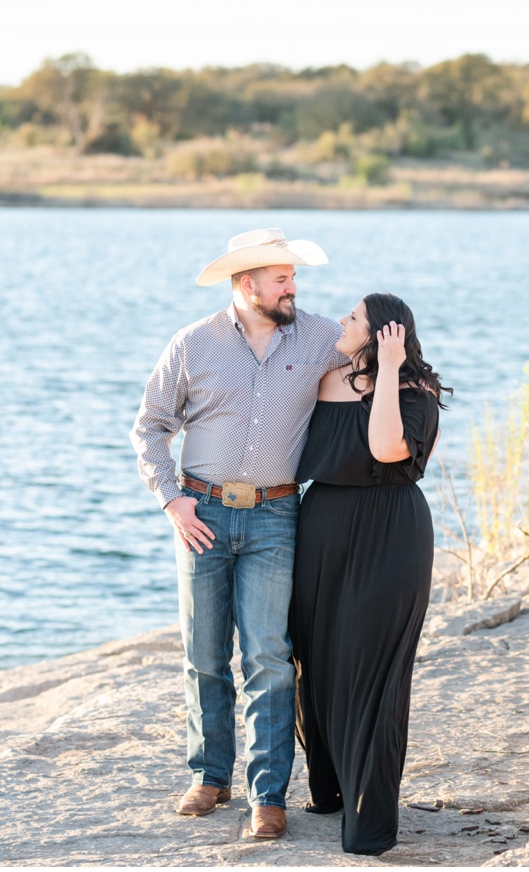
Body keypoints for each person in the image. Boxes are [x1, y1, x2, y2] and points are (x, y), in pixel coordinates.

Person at [129, 227, 348, 841]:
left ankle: (268, 793)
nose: (293, 288)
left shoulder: (322, 335)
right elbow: (149, 427)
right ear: (246, 284)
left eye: (294, 277)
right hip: (200, 513)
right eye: (282, 279)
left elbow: (370, 366)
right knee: (204, 655)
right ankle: (208, 775)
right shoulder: (193, 343)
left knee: (269, 657)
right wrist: (171, 499)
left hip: (278, 515)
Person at [289, 292, 451, 857]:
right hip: (323, 529)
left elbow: (386, 449)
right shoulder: (326, 378)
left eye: (354, 317)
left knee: (374, 668)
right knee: (320, 657)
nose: (342, 321)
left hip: (392, 536)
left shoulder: (415, 393)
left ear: (385, 333)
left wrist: (387, 370)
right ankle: (330, 789)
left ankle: (369, 818)